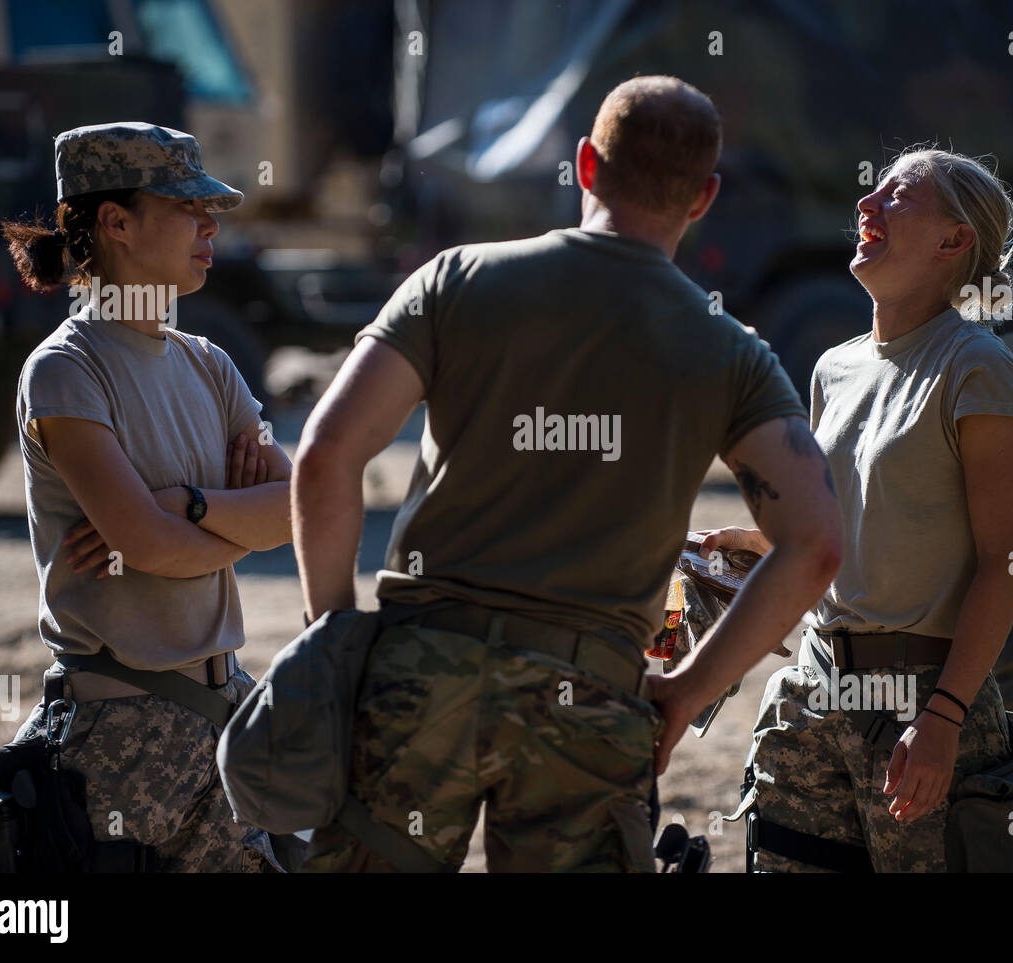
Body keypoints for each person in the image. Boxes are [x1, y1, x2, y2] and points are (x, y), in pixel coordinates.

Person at [293, 76, 843, 872]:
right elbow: (815, 545)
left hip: (422, 672)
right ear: (704, 198)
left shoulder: (456, 281)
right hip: (590, 697)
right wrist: (688, 687)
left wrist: (332, 641)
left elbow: (324, 456)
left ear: (585, 164)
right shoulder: (731, 353)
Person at [702, 148, 1013, 872]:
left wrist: (944, 717)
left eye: (900, 194)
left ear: (954, 241)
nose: (869, 203)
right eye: (874, 190)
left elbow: (1004, 564)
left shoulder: (976, 367)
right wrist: (765, 551)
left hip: (923, 702)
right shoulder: (835, 367)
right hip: (814, 691)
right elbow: (867, 532)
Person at [2, 122, 293, 872]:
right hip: (120, 736)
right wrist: (219, 521)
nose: (210, 225)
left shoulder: (209, 363)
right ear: (116, 221)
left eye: (212, 209)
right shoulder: (66, 371)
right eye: (186, 207)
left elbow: (295, 507)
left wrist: (185, 502)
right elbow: (148, 546)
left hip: (223, 712)